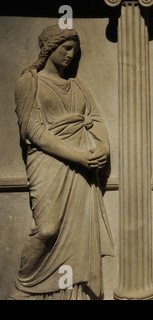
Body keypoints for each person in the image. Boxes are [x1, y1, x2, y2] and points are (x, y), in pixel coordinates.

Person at [8, 24, 114, 300]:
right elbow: (34, 131)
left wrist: (103, 147)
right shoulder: (29, 81)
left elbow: (97, 120)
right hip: (48, 162)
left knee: (77, 234)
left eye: (74, 51)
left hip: (81, 169)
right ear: (49, 48)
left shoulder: (78, 85)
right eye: (65, 48)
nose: (70, 55)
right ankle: (24, 286)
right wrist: (79, 156)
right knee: (47, 228)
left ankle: (67, 295)